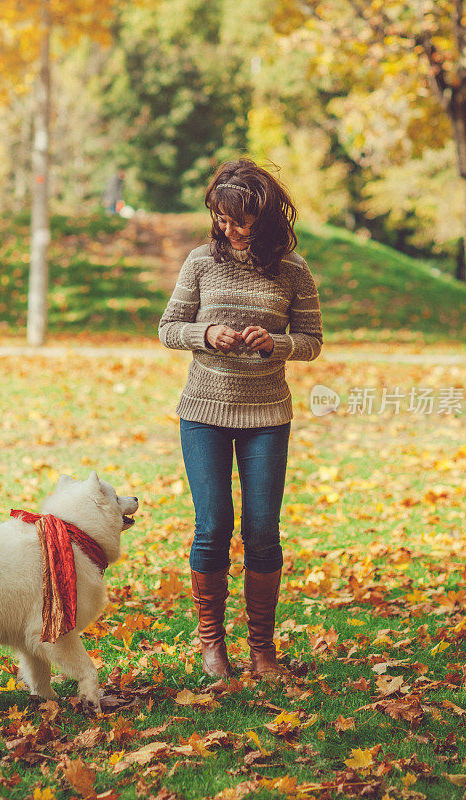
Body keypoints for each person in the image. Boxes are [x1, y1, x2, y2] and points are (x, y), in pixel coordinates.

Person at [158, 158, 323, 679]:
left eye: (237, 220)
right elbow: (168, 326)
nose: (226, 229)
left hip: (267, 416)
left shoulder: (293, 270)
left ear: (264, 217)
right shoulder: (201, 262)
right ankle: (212, 645)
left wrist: (275, 343)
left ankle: (262, 650)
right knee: (212, 527)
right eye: (220, 217)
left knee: (261, 531)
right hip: (204, 412)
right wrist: (205, 335)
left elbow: (312, 342)